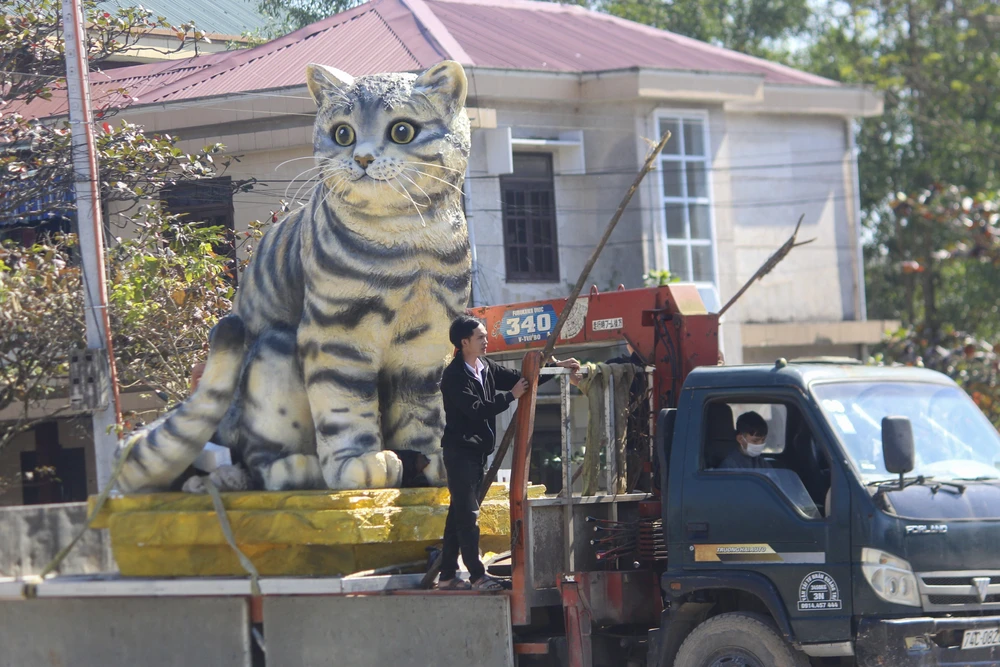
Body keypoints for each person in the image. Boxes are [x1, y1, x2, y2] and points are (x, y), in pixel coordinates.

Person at [437, 315, 579, 591]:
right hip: (460, 453)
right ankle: (477, 575)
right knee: (468, 515)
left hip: (478, 453)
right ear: (464, 342)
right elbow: (477, 408)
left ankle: (446, 576)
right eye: (480, 337)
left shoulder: (485, 367)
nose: (486, 340)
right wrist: (510, 397)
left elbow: (522, 378)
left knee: (459, 515)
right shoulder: (453, 376)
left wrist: (556, 366)